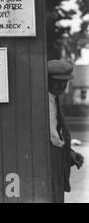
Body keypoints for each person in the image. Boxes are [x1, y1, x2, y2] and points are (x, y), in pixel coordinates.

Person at [48, 59, 84, 203]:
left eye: (65, 82)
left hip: (56, 157)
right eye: (57, 81)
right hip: (46, 158)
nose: (62, 86)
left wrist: (69, 153)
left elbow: (55, 133)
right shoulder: (40, 101)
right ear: (48, 80)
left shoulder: (54, 99)